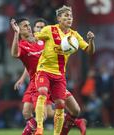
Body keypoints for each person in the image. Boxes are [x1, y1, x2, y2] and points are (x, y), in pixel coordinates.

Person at [11, 18, 87, 135]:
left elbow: (42, 58)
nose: (29, 27)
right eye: (25, 26)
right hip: (38, 81)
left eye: (29, 25)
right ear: (19, 30)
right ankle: (74, 123)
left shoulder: (42, 41)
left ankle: (75, 122)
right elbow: (16, 55)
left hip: (54, 78)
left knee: (75, 109)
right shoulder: (22, 46)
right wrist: (16, 34)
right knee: (35, 113)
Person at [33, 5, 95, 135]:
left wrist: (91, 40)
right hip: (44, 70)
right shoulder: (49, 30)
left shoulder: (74, 35)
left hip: (59, 75)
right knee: (42, 92)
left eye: (71, 16)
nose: (69, 18)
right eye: (66, 16)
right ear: (59, 18)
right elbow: (36, 37)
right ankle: (39, 128)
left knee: (60, 104)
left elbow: (89, 50)